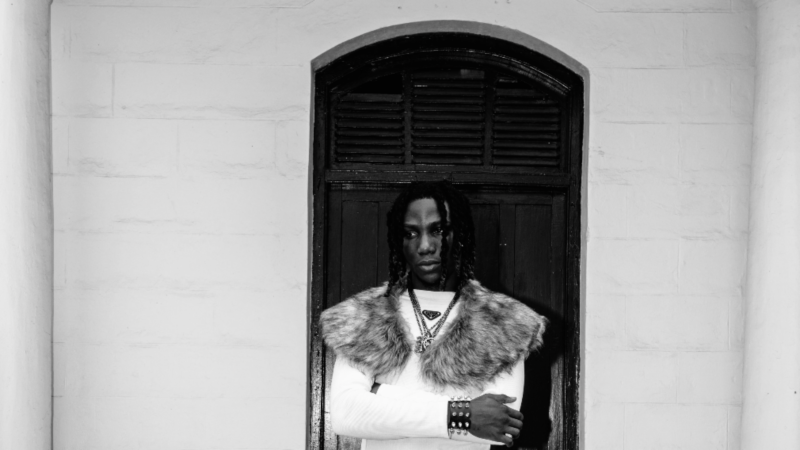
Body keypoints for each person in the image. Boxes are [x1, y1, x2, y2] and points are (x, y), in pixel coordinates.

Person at [320, 180, 547, 449]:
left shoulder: (506, 323)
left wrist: (380, 395)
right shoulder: (364, 316)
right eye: (410, 233)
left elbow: (498, 425)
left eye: (438, 230)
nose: (425, 245)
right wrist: (459, 414)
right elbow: (347, 414)